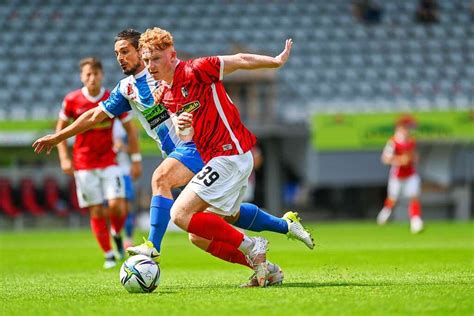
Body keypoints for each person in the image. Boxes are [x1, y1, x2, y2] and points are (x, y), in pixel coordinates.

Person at [33, 29, 314, 286]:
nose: (120, 58)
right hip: (193, 149)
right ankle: (278, 241)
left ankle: (153, 246)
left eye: (125, 51)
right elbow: (97, 114)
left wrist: (274, 62)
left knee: (162, 180)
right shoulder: (132, 88)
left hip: (202, 151)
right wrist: (60, 137)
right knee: (210, 227)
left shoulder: (181, 72)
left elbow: (233, 64)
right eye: (117, 53)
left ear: (142, 53)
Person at [139, 27, 305, 287]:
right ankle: (268, 268)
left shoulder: (197, 69)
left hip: (231, 154)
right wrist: (183, 125)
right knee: (198, 235)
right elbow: (187, 136)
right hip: (217, 159)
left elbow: (239, 60)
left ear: (172, 55)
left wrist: (275, 61)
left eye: (156, 58)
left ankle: (252, 245)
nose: (150, 65)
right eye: (146, 60)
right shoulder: (165, 94)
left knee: (180, 214)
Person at [55, 57, 142, 269]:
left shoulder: (111, 98)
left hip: (109, 161)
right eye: (88, 74)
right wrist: (65, 158)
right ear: (81, 77)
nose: (92, 78)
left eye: (95, 74)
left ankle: (116, 233)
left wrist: (136, 159)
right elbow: (60, 131)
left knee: (117, 207)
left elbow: (131, 131)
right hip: (84, 164)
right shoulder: (72, 100)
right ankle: (109, 254)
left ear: (102, 75)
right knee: (96, 211)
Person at [376, 115, 424, 234]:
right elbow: (385, 158)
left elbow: (414, 156)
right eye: (406, 127)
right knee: (393, 198)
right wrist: (398, 160)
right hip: (397, 175)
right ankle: (385, 213)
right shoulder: (393, 142)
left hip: (410, 174)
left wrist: (413, 159)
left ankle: (415, 221)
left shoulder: (411, 141)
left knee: (413, 196)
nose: (408, 130)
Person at [112, 117, 141, 249]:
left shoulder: (126, 123)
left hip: (124, 171)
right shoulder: (102, 122)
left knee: (127, 208)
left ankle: (128, 239)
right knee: (114, 209)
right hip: (108, 171)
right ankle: (116, 235)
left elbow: (134, 147)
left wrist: (122, 147)